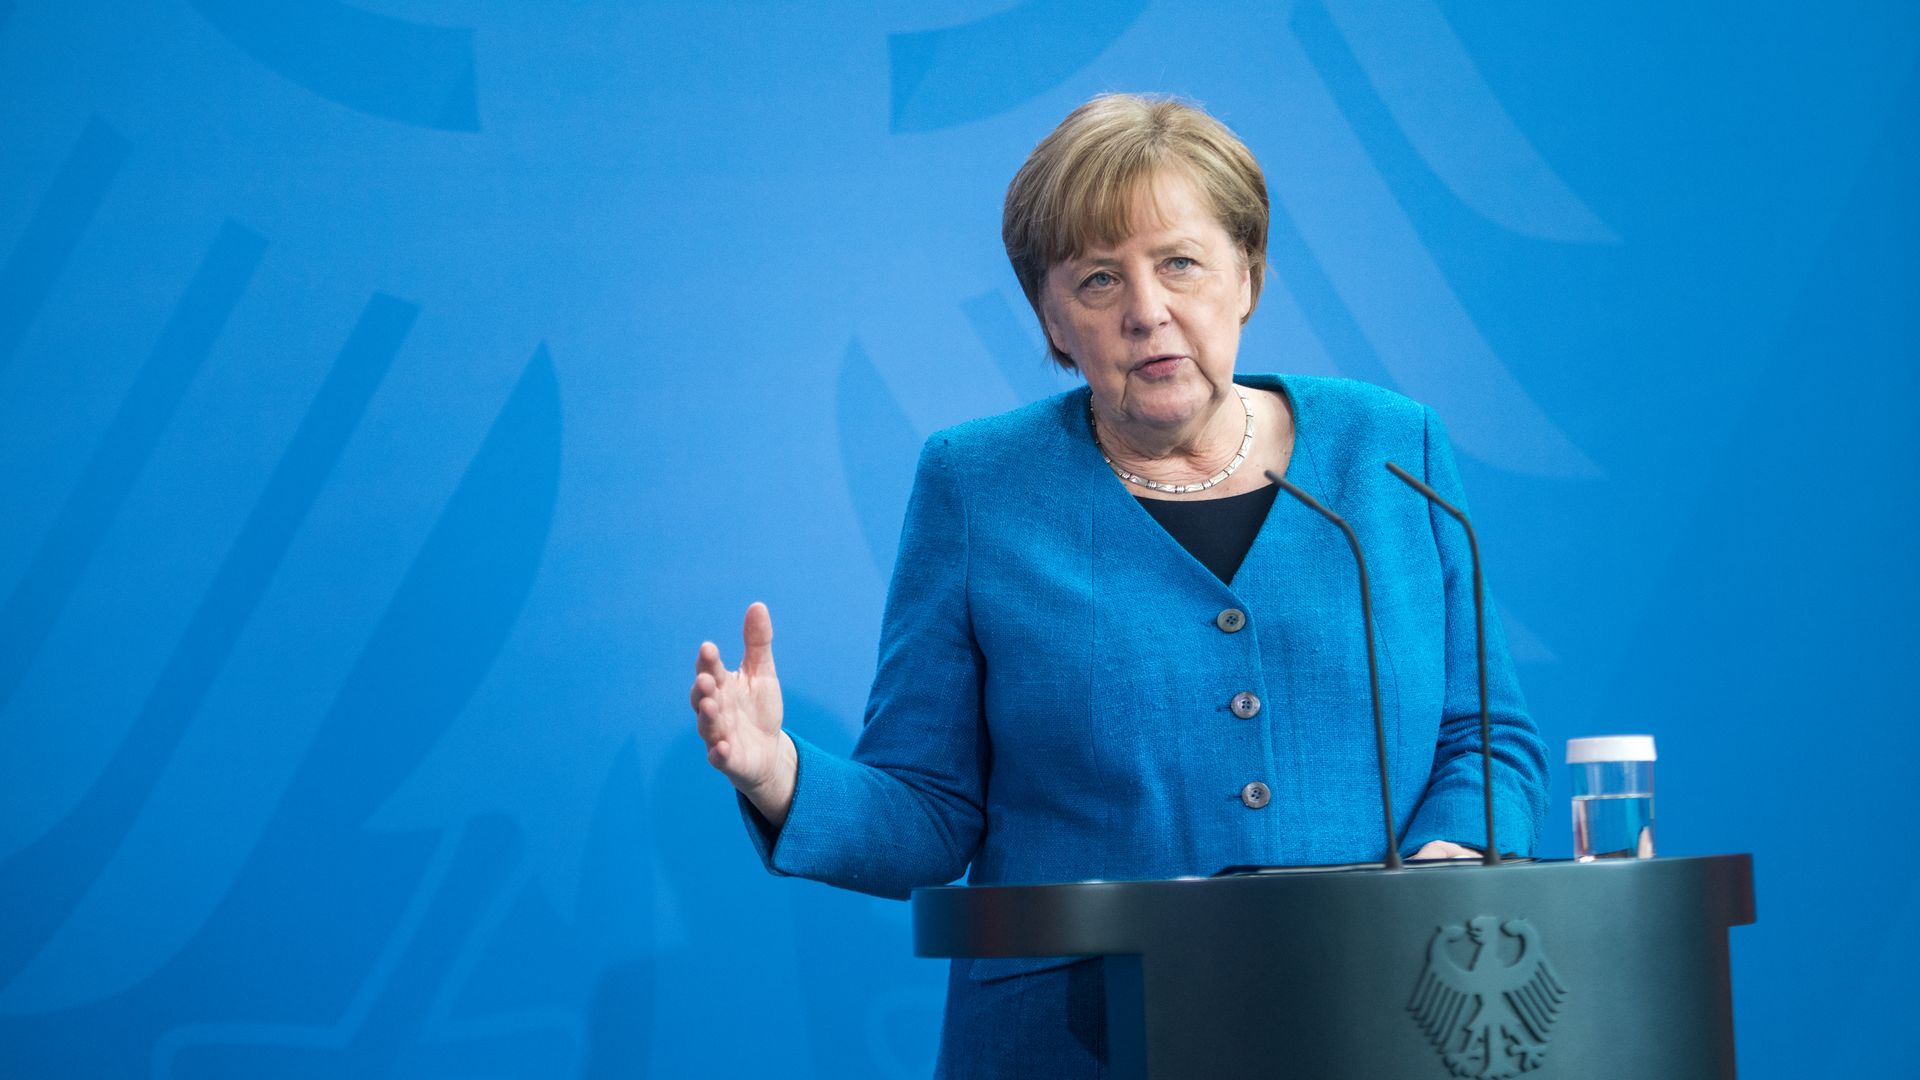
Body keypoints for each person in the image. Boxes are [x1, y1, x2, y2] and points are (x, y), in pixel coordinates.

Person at [689, 93, 1549, 1078]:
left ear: (1247, 276)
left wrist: (1440, 877)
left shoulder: (1392, 453)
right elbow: (928, 810)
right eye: (1098, 279)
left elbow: (1486, 740)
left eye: (1180, 262)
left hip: (1374, 1016)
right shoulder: (977, 487)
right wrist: (776, 774)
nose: (1147, 310)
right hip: (1074, 1044)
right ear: (1053, 319)